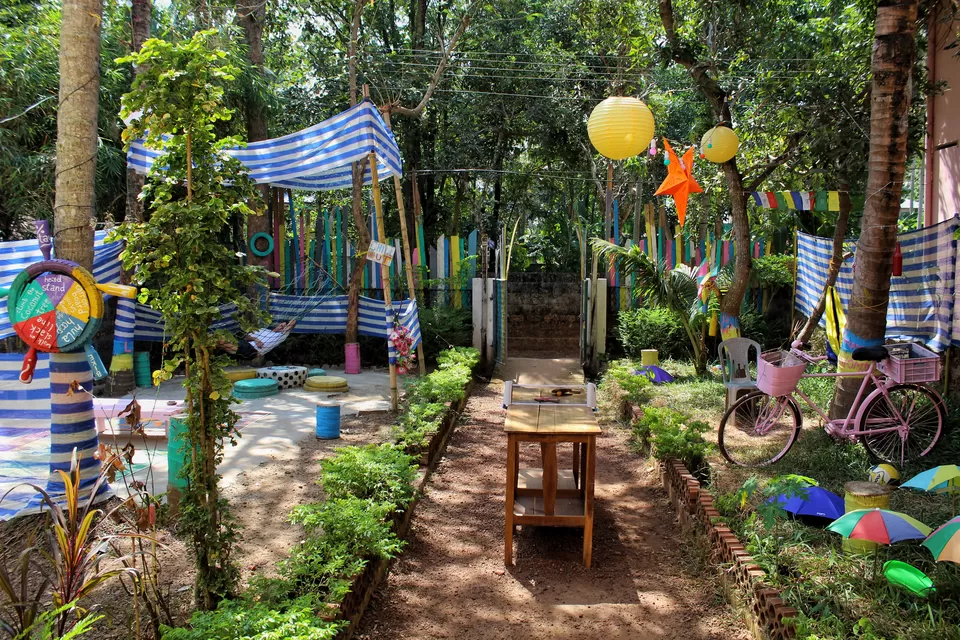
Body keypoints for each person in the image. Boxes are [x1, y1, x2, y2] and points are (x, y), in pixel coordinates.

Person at [219, 319, 296, 359]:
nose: (281, 328)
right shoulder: (263, 330)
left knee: (221, 342)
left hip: (253, 351)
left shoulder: (281, 335)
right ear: (278, 324)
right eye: (281, 326)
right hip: (245, 345)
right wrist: (256, 339)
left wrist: (286, 326)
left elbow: (293, 322)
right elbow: (246, 337)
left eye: (284, 327)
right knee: (220, 344)